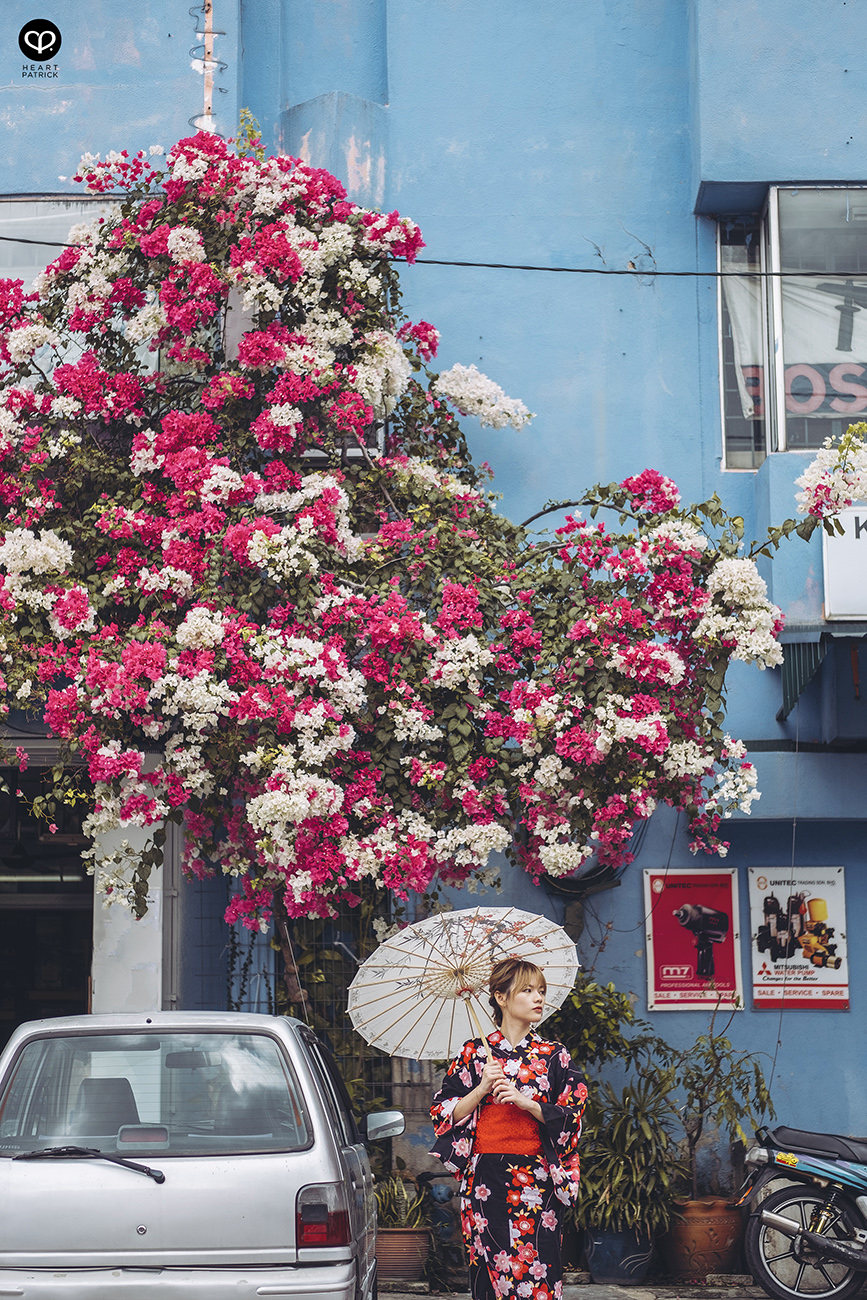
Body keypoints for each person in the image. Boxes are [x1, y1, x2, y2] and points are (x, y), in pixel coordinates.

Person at [429, 957, 587, 1300]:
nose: (538, 999)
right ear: (501, 998)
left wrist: (527, 1102)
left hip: (537, 1177)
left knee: (541, 1265)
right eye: (527, 990)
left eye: (541, 991)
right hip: (486, 1177)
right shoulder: (474, 1053)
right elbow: (443, 1111)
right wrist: (481, 1089)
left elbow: (574, 1114)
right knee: (489, 1264)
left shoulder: (553, 1055)